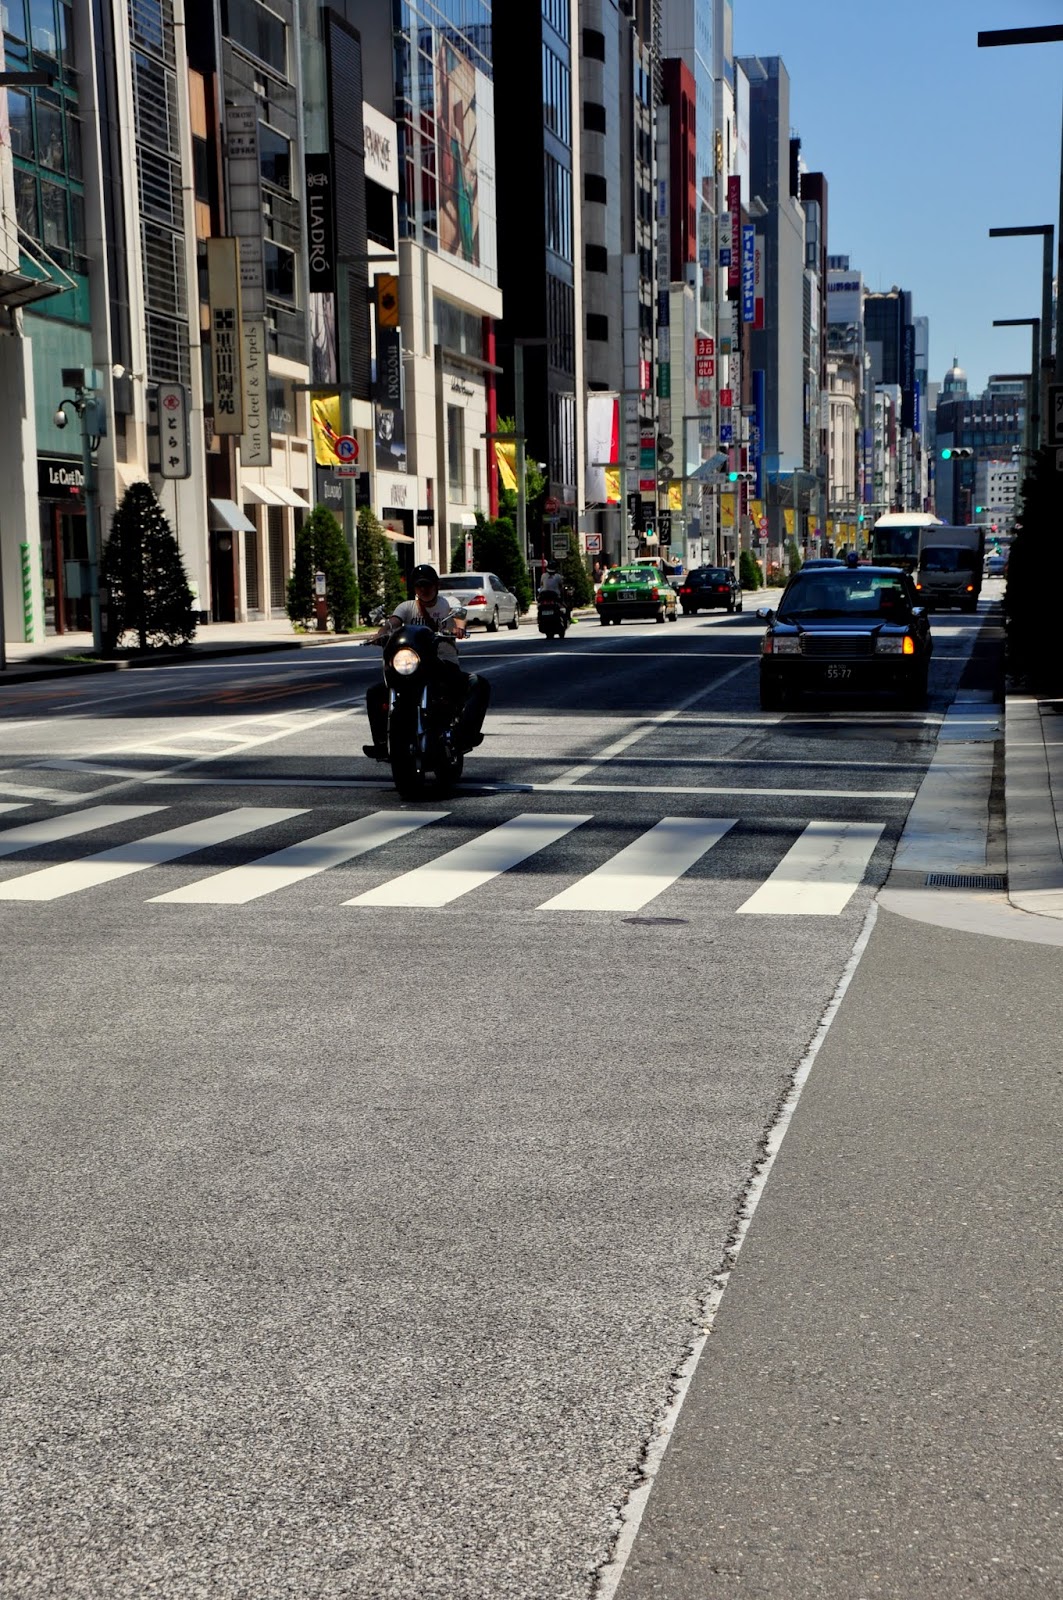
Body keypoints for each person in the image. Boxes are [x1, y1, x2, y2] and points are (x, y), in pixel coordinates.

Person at [363, 564, 490, 759]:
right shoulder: (407, 607)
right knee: (375, 693)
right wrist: (381, 634)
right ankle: (381, 743)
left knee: (479, 685)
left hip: (443, 663)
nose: (424, 589)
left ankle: (466, 735)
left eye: (428, 584)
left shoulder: (448, 603)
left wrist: (458, 628)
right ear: (414, 587)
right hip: (413, 665)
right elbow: (393, 622)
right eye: (419, 585)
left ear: (436, 585)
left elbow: (459, 615)